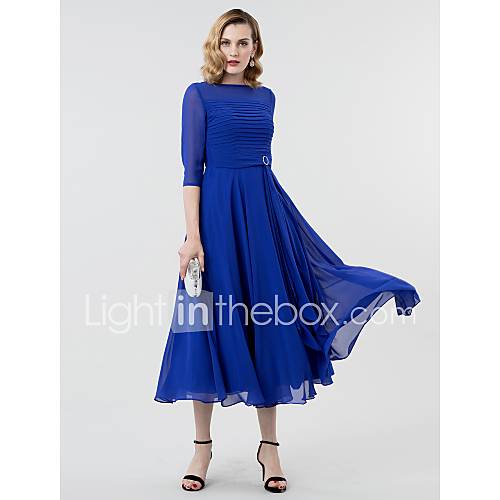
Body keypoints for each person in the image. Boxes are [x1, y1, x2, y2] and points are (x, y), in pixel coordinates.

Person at [154, 8, 421, 493]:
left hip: (263, 217)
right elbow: (192, 171)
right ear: (216, 46)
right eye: (227, 42)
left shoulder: (266, 98)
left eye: (244, 43)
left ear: (255, 48)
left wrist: (271, 222)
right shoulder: (198, 95)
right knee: (204, 325)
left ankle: (270, 448)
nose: (234, 52)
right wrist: (192, 237)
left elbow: (262, 163)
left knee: (270, 322)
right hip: (215, 219)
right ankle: (202, 447)